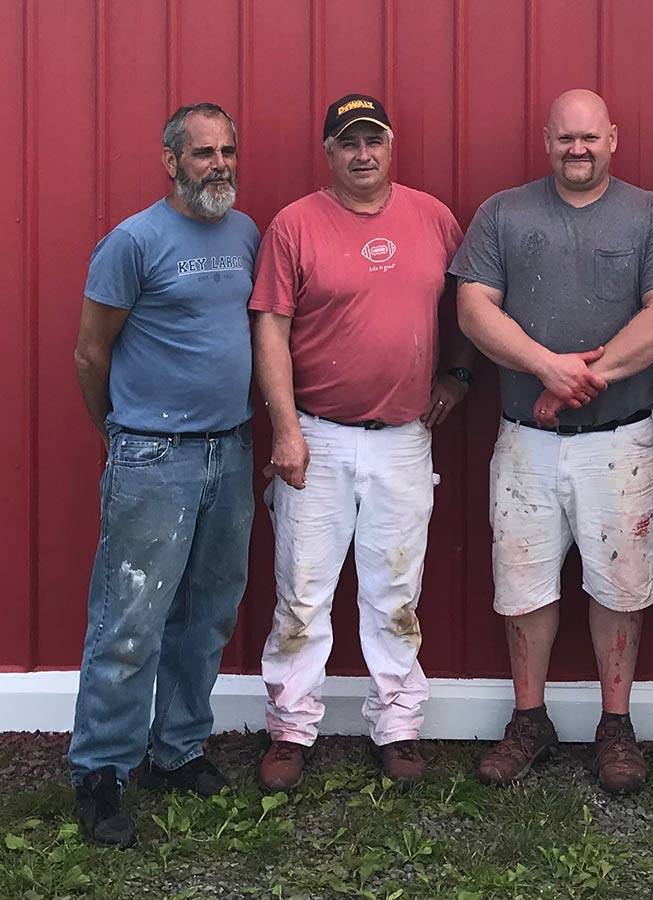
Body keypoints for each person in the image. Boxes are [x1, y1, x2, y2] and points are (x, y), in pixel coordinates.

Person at [452, 89, 653, 794]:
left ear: (613, 138)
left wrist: (583, 378)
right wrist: (546, 368)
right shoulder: (504, 213)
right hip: (524, 437)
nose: (578, 149)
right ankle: (529, 719)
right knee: (523, 582)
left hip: (619, 442)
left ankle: (615, 724)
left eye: (590, 137)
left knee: (621, 585)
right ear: (546, 140)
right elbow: (472, 309)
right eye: (566, 138)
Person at [251, 93, 472, 790]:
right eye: (349, 142)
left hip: (404, 437)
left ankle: (399, 726)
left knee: (395, 590)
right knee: (303, 590)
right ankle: (291, 728)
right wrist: (285, 429)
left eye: (373, 139)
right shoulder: (294, 225)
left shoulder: (433, 217)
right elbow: (270, 329)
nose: (363, 154)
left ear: (390, 143)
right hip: (315, 434)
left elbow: (468, 302)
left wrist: (459, 373)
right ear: (329, 152)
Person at [70, 103, 259, 847]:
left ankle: (176, 750)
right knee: (130, 620)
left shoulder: (245, 233)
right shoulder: (132, 241)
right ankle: (101, 773)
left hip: (232, 451)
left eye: (228, 150)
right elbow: (91, 354)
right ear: (171, 161)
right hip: (153, 455)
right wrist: (124, 433)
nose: (220, 164)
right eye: (204, 152)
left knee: (207, 610)